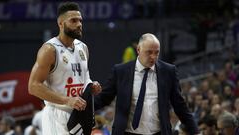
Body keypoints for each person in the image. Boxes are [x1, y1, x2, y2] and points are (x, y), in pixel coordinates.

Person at [94, 33, 199, 135]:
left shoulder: (168, 71)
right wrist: (83, 107)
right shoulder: (121, 71)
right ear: (138, 49)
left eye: (156, 53)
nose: (153, 57)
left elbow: (179, 105)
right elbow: (104, 98)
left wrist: (195, 131)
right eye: (149, 52)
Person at [28, 2, 101, 135]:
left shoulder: (83, 47)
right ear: (61, 24)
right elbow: (33, 86)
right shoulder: (49, 50)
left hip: (80, 112)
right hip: (57, 113)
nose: (79, 24)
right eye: (73, 20)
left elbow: (85, 78)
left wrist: (91, 85)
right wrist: (66, 100)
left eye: (80, 20)